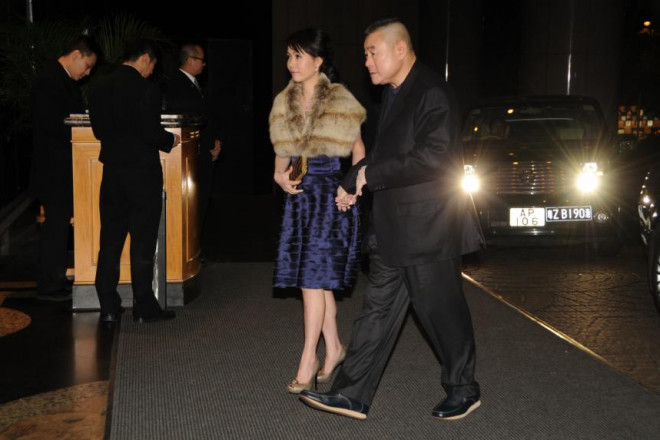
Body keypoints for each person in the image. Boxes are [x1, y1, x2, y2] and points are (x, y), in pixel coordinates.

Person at [299, 18, 485, 421]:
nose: (366, 61)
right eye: (365, 53)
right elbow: (384, 153)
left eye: (373, 52)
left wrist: (370, 175)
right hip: (395, 227)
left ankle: (463, 388)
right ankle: (350, 393)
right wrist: (354, 179)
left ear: (401, 49)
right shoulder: (394, 93)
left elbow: (434, 157)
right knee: (376, 313)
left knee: (441, 313)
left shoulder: (432, 92)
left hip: (429, 229)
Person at [269, 28, 366, 394]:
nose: (291, 63)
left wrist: (353, 187)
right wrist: (279, 176)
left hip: (330, 196)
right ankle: (335, 347)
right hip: (300, 197)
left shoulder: (339, 98)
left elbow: (358, 150)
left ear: (318, 60)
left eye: (298, 56)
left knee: (311, 280)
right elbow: (282, 149)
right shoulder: (285, 100)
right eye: (289, 56)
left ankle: (308, 358)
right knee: (317, 280)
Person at [88, 38, 181, 323]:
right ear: (145, 58)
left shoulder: (99, 86)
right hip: (142, 174)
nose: (152, 71)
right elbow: (150, 131)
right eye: (153, 65)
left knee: (110, 240)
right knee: (142, 241)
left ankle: (108, 306)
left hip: (112, 173)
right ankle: (144, 306)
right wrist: (170, 139)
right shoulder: (146, 88)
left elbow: (98, 131)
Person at [29, 35, 99, 301]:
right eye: (87, 66)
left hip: (64, 168)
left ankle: (56, 281)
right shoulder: (49, 80)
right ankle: (49, 286)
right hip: (53, 170)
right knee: (55, 229)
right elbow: (52, 125)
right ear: (76, 55)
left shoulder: (63, 81)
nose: (88, 73)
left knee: (59, 228)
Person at [164, 43, 222, 237]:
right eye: (201, 60)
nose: (204, 64)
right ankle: (189, 244)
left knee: (201, 201)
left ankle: (195, 243)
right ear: (190, 60)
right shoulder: (177, 85)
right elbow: (188, 121)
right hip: (192, 153)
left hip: (203, 150)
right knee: (193, 203)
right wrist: (207, 145)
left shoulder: (193, 83)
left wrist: (215, 141)